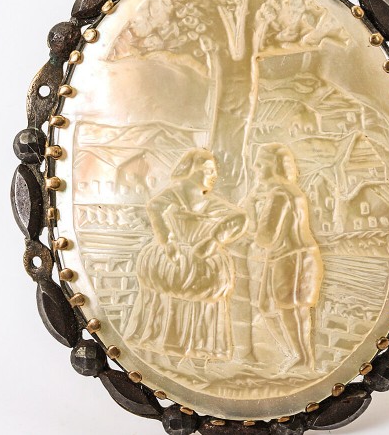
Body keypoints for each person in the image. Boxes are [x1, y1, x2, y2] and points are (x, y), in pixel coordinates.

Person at [125, 148, 247, 361]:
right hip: (175, 254)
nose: (214, 175)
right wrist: (167, 240)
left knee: (202, 298)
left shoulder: (209, 201)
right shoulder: (175, 193)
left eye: (214, 171)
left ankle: (199, 347)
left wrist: (215, 239)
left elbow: (240, 218)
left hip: (202, 257)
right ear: (191, 169)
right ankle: (164, 343)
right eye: (208, 170)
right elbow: (154, 207)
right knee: (168, 295)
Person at [250, 143, 324, 372]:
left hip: (293, 259)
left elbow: (265, 236)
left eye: (260, 164)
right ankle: (299, 355)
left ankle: (302, 357)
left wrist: (252, 216)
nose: (255, 168)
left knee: (292, 309)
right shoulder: (291, 192)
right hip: (295, 257)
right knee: (285, 308)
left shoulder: (280, 194)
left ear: (272, 166)